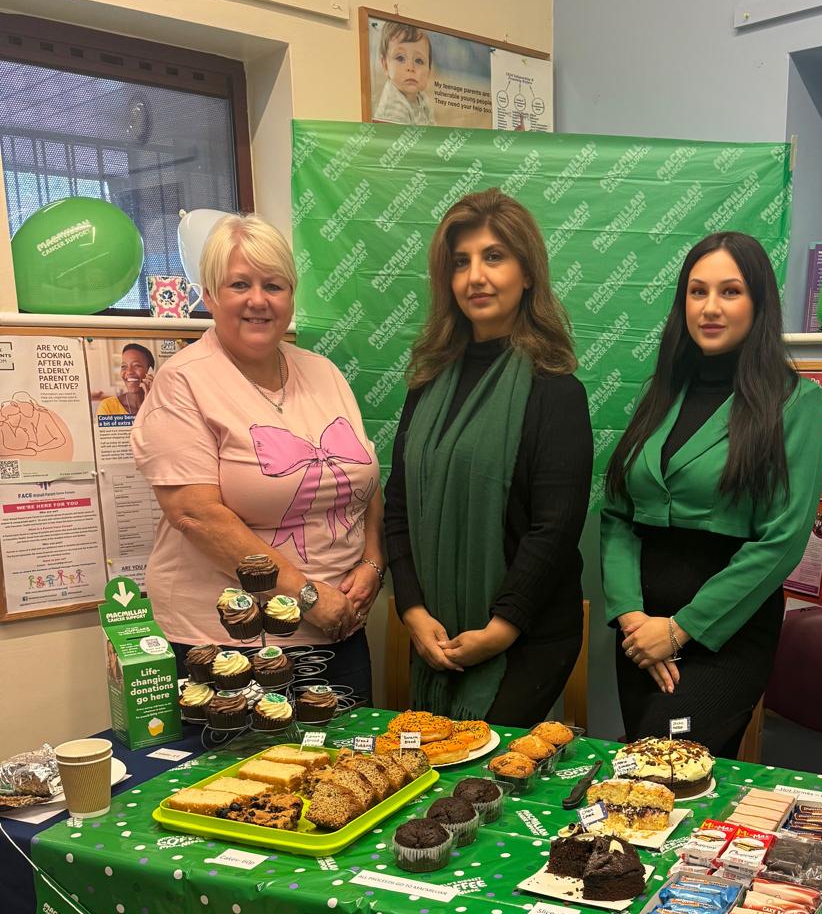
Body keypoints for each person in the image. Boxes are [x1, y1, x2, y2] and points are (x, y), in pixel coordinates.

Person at [131, 213, 384, 702]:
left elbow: (365, 481)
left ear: (290, 296)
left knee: (350, 776)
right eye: (239, 284)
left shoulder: (323, 371)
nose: (258, 300)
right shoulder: (183, 381)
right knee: (245, 778)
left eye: (274, 285)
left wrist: (373, 565)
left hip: (339, 629)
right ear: (209, 296)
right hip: (231, 644)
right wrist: (307, 597)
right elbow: (196, 516)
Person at [600, 232, 822, 758]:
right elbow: (616, 513)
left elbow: (783, 540)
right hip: (639, 636)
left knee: (656, 773)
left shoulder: (794, 402)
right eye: (697, 292)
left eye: (731, 291)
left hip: (724, 633)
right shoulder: (659, 392)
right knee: (652, 795)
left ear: (759, 303)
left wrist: (679, 630)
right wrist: (632, 617)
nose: (710, 307)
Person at [384, 189, 592, 723]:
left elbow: (555, 528)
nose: (475, 276)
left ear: (527, 273)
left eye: (494, 257)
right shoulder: (426, 384)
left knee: (475, 783)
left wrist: (499, 630)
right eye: (461, 262)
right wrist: (411, 610)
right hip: (436, 633)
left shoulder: (556, 390)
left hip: (526, 638)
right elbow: (399, 507)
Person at [374, 22, 436, 126]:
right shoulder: (394, 107)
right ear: (385, 65)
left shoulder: (422, 97)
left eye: (418, 61)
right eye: (400, 58)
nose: (410, 68)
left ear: (429, 71)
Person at [96, 343, 154, 416]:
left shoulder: (160, 406)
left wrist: (149, 404)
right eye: (124, 366)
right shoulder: (107, 407)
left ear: (150, 372)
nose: (129, 372)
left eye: (136, 366)